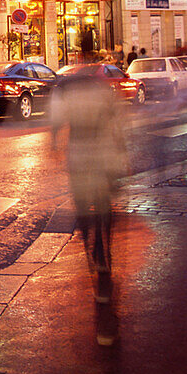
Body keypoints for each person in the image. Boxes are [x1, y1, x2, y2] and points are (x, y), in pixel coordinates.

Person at [49, 73, 126, 342]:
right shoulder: (102, 87)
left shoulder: (67, 88)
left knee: (83, 207)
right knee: (104, 204)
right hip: (102, 148)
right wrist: (120, 149)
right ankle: (102, 251)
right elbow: (116, 120)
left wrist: (54, 140)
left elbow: (56, 120)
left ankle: (92, 253)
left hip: (79, 150)